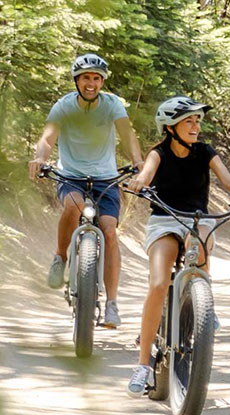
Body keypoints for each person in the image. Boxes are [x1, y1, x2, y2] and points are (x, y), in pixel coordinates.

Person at [125, 96, 230, 397]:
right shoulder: (158, 153)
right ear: (170, 127)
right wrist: (140, 182)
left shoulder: (205, 152)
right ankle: (143, 365)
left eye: (197, 121)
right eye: (189, 121)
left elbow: (227, 180)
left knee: (197, 246)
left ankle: (203, 304)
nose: (196, 126)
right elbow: (146, 174)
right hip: (164, 220)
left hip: (198, 219)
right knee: (158, 283)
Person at [28, 53, 144, 328]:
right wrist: (40, 158)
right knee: (73, 206)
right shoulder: (64, 105)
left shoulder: (112, 105)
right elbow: (48, 137)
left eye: (96, 78)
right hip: (71, 176)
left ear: (102, 82)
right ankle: (61, 256)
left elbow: (127, 134)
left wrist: (138, 161)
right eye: (85, 78)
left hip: (106, 179)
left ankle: (112, 304)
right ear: (76, 81)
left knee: (109, 231)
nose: (91, 83)